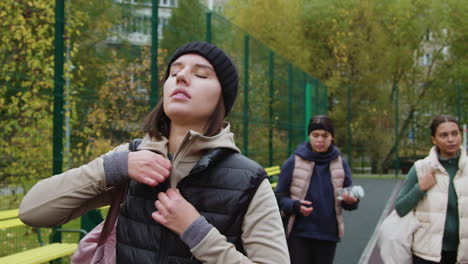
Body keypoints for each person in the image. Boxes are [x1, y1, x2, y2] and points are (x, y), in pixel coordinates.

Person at [19, 41, 290, 264]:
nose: (181, 77)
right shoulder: (130, 158)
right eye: (174, 73)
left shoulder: (249, 180)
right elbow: (32, 211)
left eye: (200, 74)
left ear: (222, 99)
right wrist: (113, 167)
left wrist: (198, 233)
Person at [274, 115, 359, 264]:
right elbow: (278, 197)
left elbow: (348, 199)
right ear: (309, 136)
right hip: (298, 234)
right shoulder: (294, 161)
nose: (320, 140)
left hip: (328, 234)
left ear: (331, 137)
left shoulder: (341, 163)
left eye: (325, 136)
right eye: (315, 135)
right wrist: (295, 206)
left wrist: (351, 201)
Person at [395, 114, 467, 264]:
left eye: (455, 133)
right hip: (428, 255)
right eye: (443, 135)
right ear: (434, 140)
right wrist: (420, 187)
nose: (451, 139)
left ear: (461, 135)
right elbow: (401, 208)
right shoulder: (421, 168)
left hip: (463, 255)